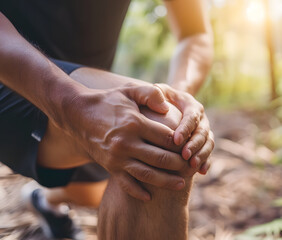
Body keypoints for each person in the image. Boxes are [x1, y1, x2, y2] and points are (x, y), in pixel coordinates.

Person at [0, 0, 214, 239]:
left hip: (88, 93)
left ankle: (44, 199)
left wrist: (176, 98)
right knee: (158, 136)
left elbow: (194, 34)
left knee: (95, 191)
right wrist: (71, 104)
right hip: (10, 73)